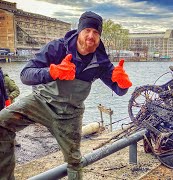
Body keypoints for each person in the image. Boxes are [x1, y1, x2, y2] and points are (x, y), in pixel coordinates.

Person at [0, 11, 132, 180]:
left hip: (70, 114)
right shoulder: (57, 48)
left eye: (96, 33)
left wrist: (123, 84)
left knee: (74, 161)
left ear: (99, 37)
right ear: (79, 32)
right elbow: (25, 75)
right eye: (87, 31)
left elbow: (119, 90)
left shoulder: (101, 62)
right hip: (41, 103)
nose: (91, 36)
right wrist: (52, 72)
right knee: (2, 122)